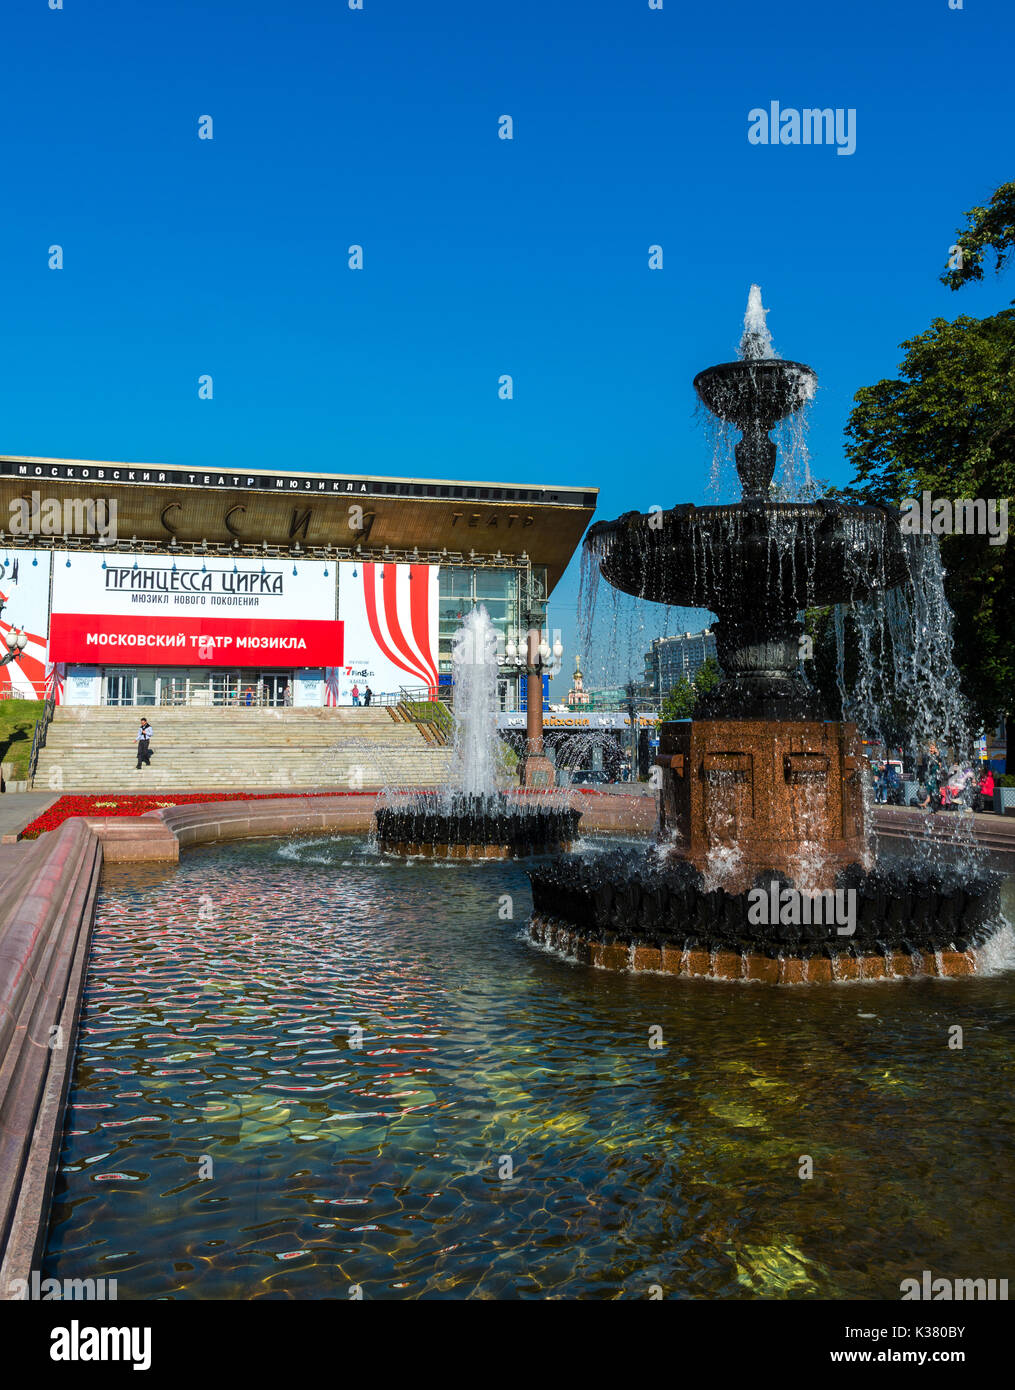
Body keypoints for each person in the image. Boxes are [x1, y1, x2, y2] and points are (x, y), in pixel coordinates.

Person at [918, 741, 943, 812]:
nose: (931, 750)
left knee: (934, 792)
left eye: (932, 748)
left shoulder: (937, 757)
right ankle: (928, 805)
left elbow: (940, 766)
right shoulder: (927, 756)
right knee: (930, 790)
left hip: (936, 777)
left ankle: (932, 807)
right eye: (930, 748)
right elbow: (925, 765)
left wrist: (937, 755)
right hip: (930, 776)